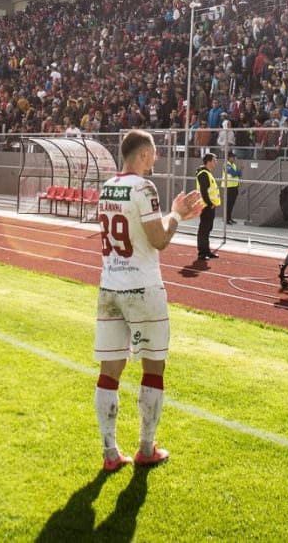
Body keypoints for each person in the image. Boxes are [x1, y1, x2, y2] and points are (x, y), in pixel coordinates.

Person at [93, 130, 203, 472]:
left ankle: (110, 453)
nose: (155, 160)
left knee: (109, 371)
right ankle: (146, 447)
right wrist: (176, 217)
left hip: (110, 285)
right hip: (142, 287)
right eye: (153, 154)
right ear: (142, 155)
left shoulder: (108, 186)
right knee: (153, 365)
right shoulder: (144, 187)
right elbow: (158, 240)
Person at [195, 152, 221, 261]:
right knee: (204, 229)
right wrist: (210, 204)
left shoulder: (207, 173)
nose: (216, 162)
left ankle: (207, 251)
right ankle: (202, 252)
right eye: (214, 160)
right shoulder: (203, 174)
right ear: (209, 161)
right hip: (206, 206)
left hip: (210, 206)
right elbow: (204, 191)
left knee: (207, 229)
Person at [222, 155, 241, 227]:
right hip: (228, 187)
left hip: (234, 186)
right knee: (228, 204)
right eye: (233, 157)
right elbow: (233, 174)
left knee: (231, 204)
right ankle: (226, 219)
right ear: (229, 158)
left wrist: (238, 172)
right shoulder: (226, 165)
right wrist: (239, 171)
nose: (234, 159)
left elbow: (239, 174)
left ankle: (229, 218)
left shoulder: (234, 165)